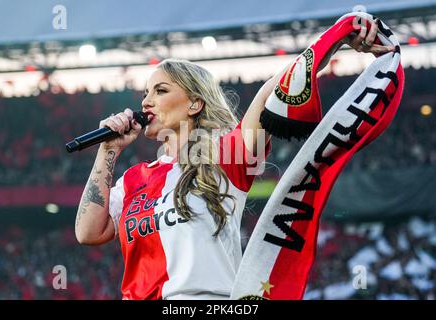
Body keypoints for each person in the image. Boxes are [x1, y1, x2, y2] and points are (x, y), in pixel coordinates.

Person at [74, 20, 394, 300]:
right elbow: (88, 233)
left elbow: (275, 90)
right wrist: (109, 150)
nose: (146, 101)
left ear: (195, 104)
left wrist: (337, 38)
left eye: (160, 90)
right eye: (145, 92)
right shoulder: (133, 179)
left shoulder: (225, 156)